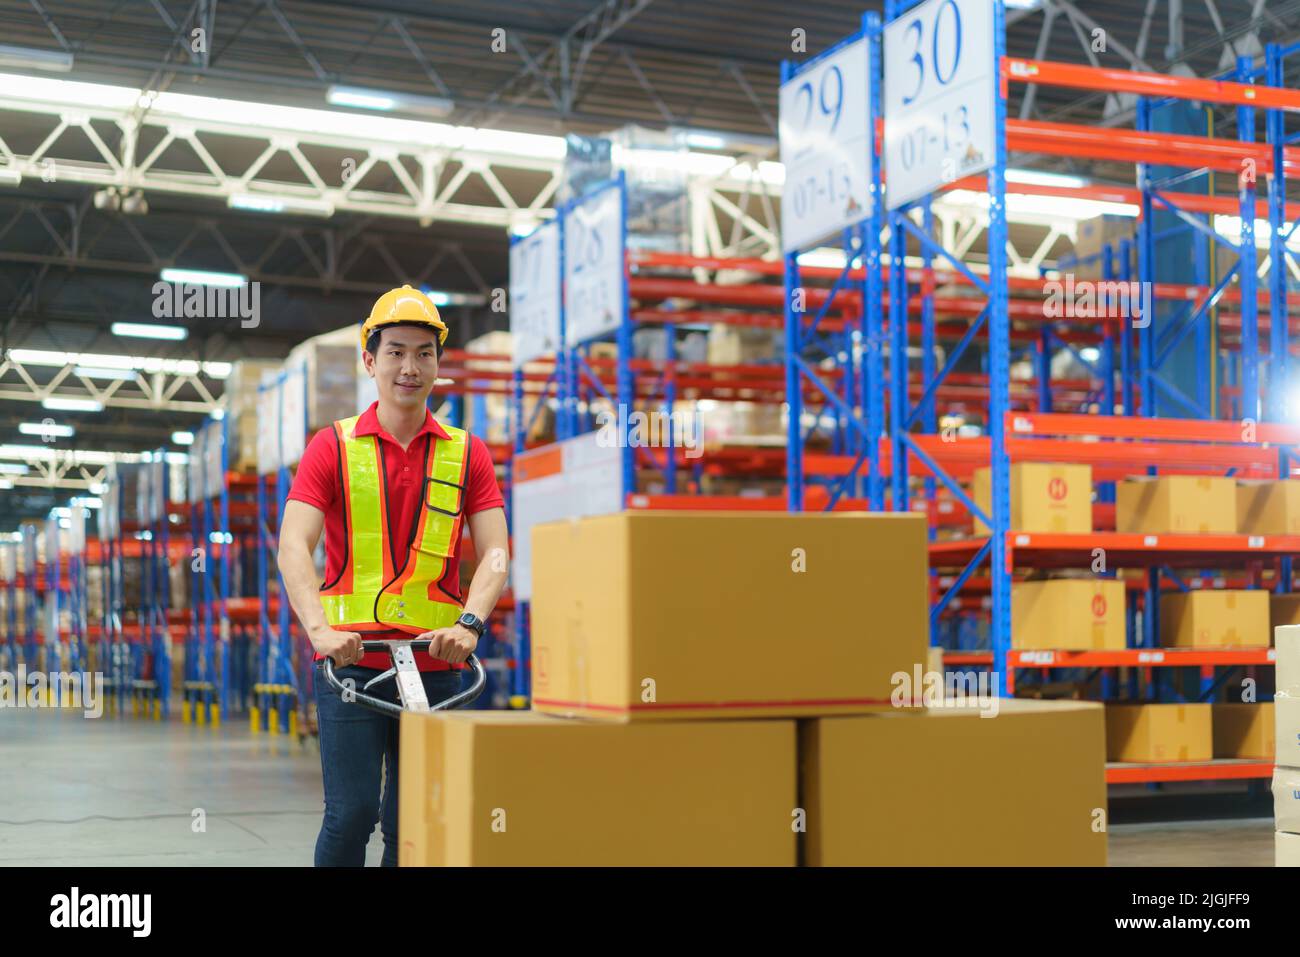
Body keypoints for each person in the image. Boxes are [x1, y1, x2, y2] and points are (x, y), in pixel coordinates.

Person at [278, 285, 509, 867]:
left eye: (424, 353)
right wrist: (319, 632)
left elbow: (497, 554)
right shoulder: (331, 447)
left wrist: (471, 624)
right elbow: (292, 546)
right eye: (396, 352)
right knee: (351, 812)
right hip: (354, 665)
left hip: (440, 665)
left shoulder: (467, 452)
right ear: (369, 360)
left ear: (438, 361)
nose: (410, 367)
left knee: (413, 823)